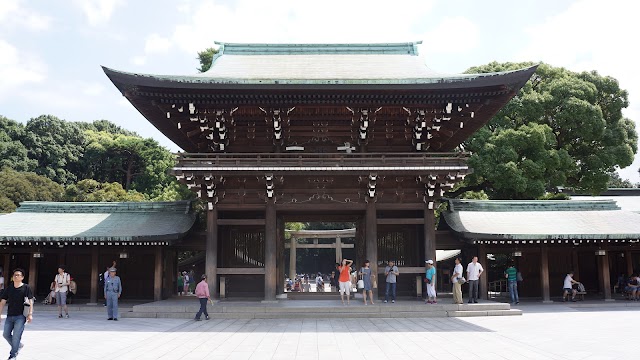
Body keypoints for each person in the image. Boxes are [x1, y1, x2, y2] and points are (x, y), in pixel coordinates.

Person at [0, 268, 34, 360]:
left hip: (21, 316)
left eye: (18, 275)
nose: (16, 276)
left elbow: (30, 301)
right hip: (10, 315)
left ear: (22, 277)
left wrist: (30, 314)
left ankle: (13, 354)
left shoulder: (26, 287)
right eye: (15, 275)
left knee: (16, 336)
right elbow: (3, 301)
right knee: (5, 334)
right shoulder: (9, 288)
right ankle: (18, 345)